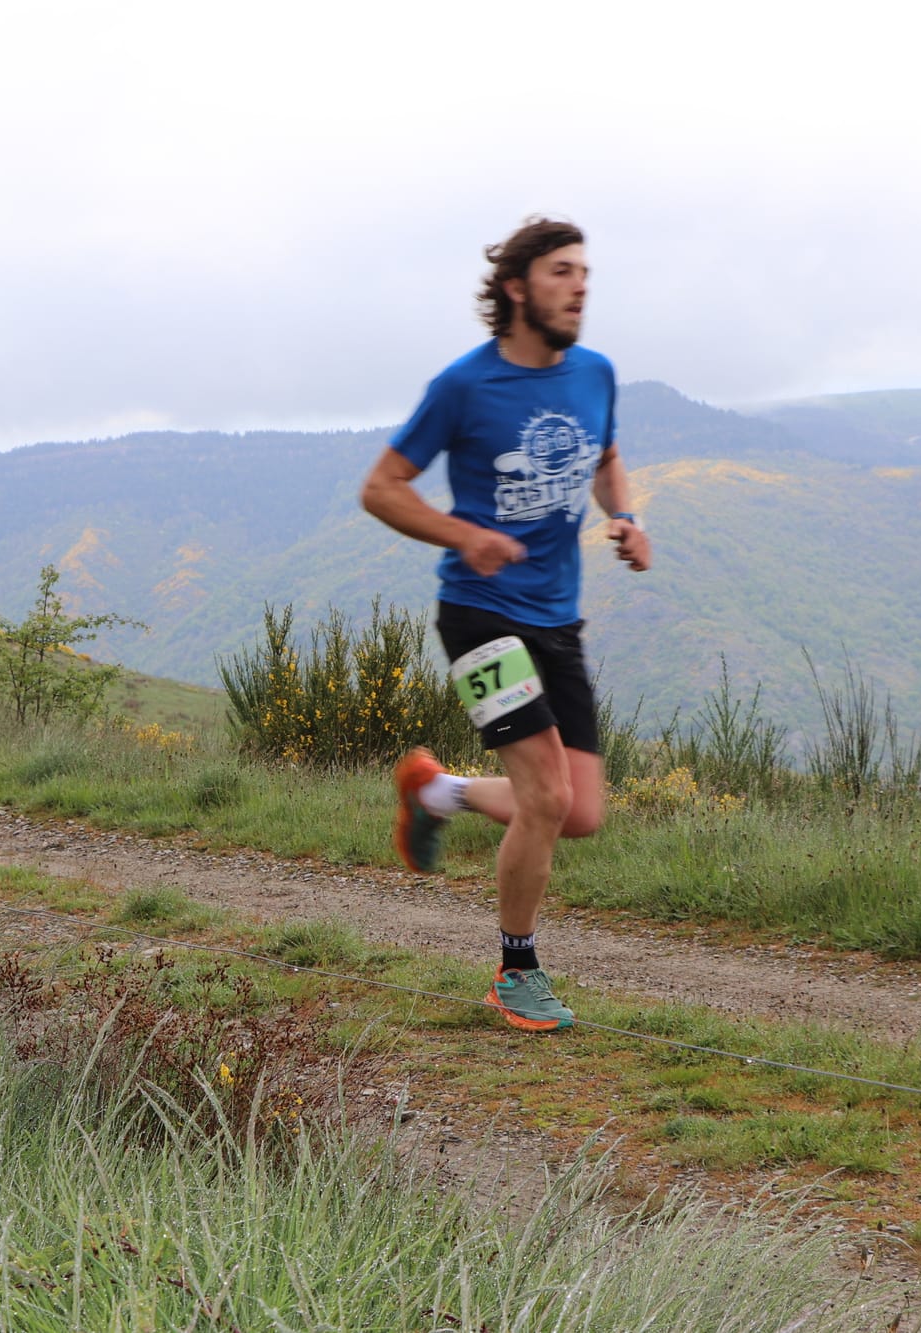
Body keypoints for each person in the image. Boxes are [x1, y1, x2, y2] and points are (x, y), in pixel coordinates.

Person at [359, 216, 652, 1031]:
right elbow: (382, 488)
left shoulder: (595, 373)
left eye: (586, 272)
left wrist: (623, 515)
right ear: (518, 288)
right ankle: (515, 971)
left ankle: (436, 790)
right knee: (547, 794)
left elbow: (603, 458)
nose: (581, 285)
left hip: (557, 617)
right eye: (563, 272)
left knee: (577, 811)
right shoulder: (465, 386)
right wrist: (467, 535)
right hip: (479, 614)